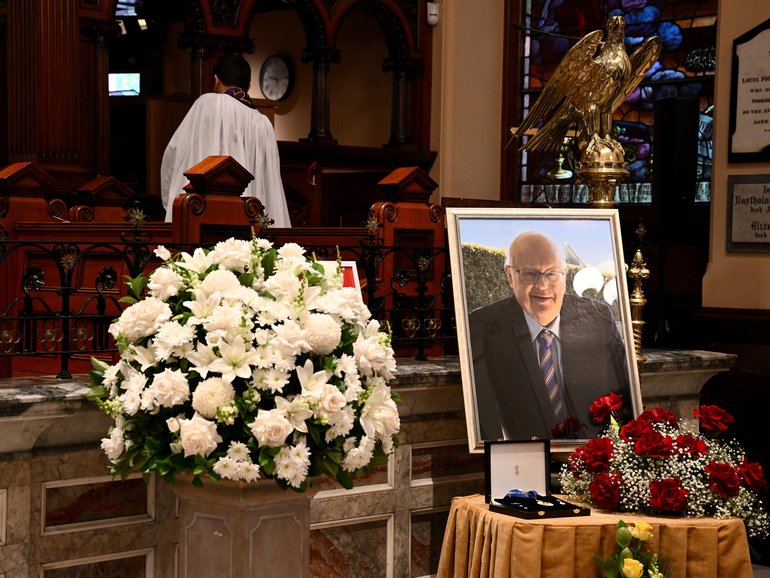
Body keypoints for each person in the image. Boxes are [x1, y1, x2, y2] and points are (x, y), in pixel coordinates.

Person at [468, 231, 630, 441]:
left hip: (591, 456)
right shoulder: (483, 326)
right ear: (510, 275)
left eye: (552, 274)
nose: (543, 286)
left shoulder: (597, 318)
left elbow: (623, 394)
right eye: (530, 274)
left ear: (565, 275)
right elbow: (484, 416)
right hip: (524, 459)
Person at [160, 54, 291, 227]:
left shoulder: (207, 104)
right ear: (249, 86)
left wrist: (169, 200)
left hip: (203, 216)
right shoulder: (263, 123)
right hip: (251, 220)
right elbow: (270, 181)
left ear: (216, 80)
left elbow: (175, 152)